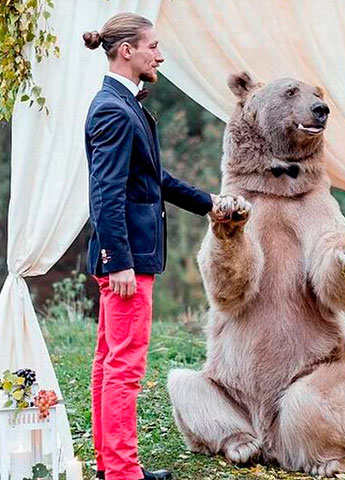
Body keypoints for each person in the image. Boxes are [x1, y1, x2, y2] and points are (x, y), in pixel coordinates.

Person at [82, 13, 241, 480]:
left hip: (124, 256)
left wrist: (209, 203)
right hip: (126, 260)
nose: (161, 55)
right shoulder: (112, 108)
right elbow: (105, 193)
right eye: (153, 46)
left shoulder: (121, 104)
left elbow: (152, 179)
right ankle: (122, 472)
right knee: (124, 367)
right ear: (127, 50)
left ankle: (112, 465)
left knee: (109, 361)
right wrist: (120, 261)